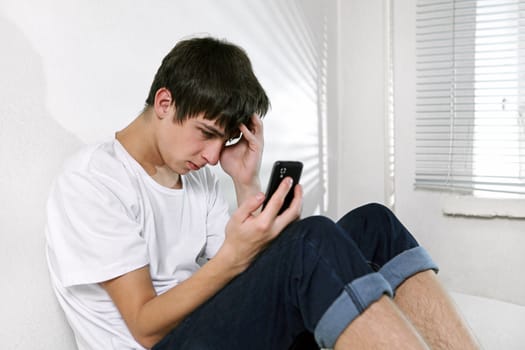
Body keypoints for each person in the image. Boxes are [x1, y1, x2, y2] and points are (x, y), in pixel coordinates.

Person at [45, 36, 479, 350]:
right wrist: (235, 257)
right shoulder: (94, 180)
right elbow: (144, 326)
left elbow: (252, 269)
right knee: (312, 241)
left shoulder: (198, 178)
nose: (213, 155)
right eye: (206, 134)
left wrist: (245, 181)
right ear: (164, 103)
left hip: (208, 328)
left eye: (225, 140)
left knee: (374, 223)